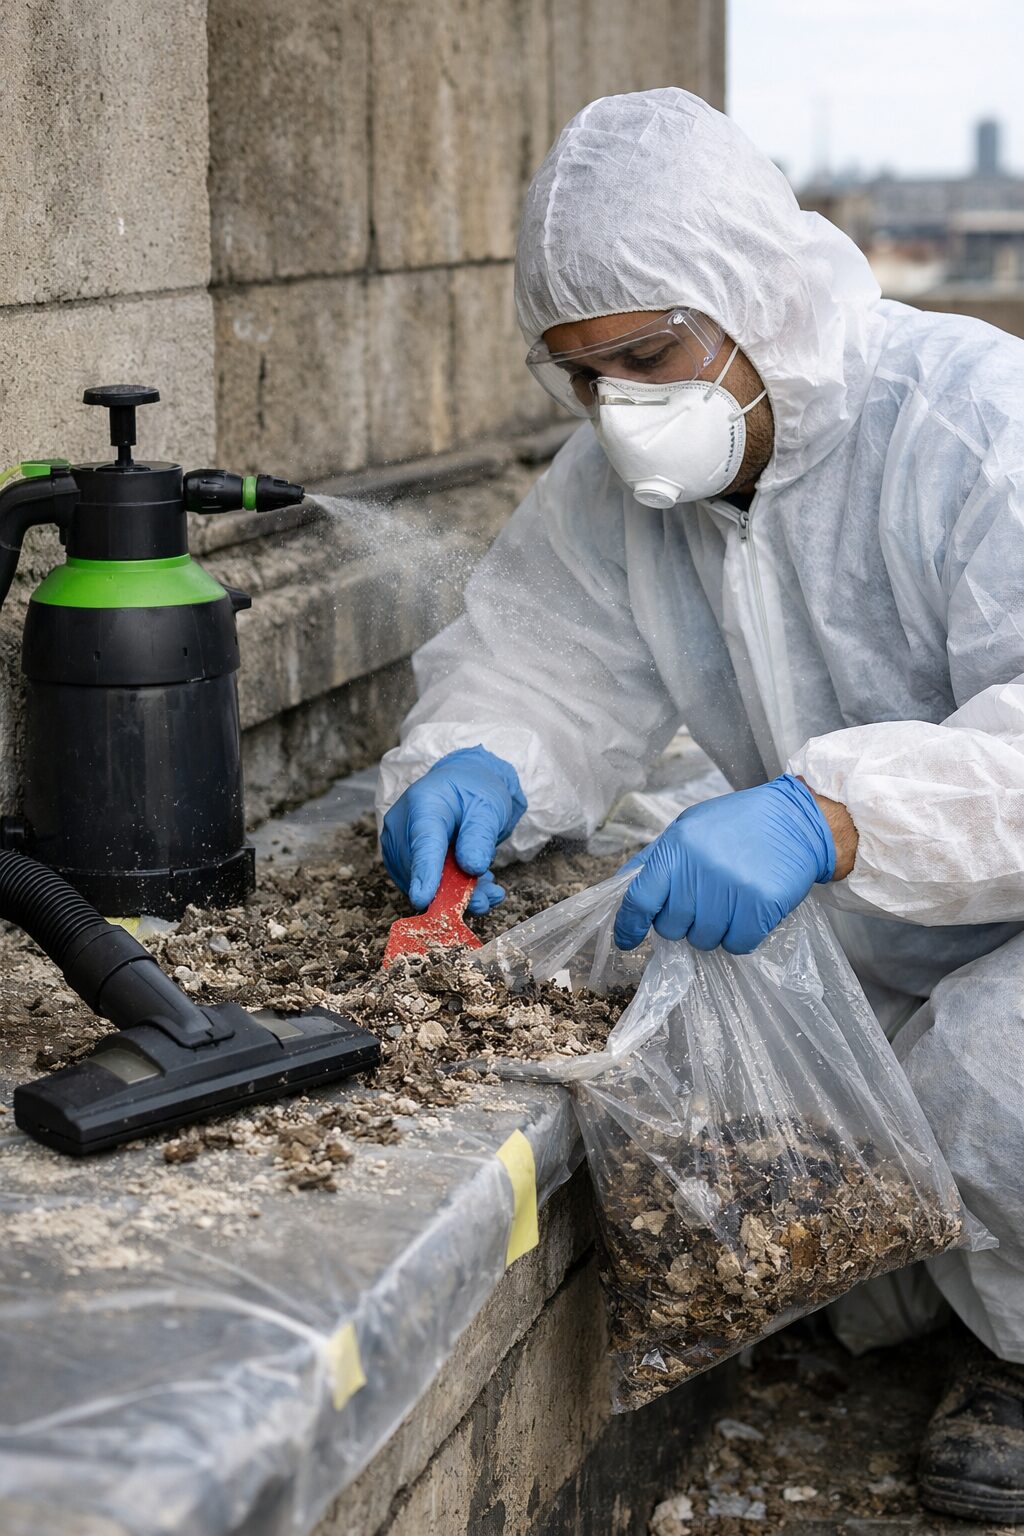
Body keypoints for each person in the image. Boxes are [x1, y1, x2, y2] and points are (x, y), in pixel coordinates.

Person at [375, 89, 1024, 1522]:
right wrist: (478, 762)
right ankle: (904, 1288)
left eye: (649, 356)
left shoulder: (977, 424)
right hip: (856, 915)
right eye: (582, 376)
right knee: (626, 980)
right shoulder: (625, 483)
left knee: (1000, 1079)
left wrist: (829, 816)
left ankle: (1016, 1351)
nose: (620, 411)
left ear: (755, 295)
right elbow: (539, 654)